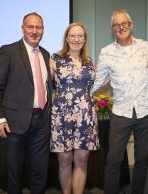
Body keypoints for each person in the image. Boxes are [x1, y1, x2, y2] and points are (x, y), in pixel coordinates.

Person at [92, 9, 148, 194]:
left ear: (131, 25)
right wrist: (81, 92)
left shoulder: (145, 46)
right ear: (113, 28)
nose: (121, 27)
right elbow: (98, 81)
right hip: (121, 113)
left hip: (146, 112)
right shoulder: (106, 52)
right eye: (117, 25)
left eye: (125, 23)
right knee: (113, 160)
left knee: (142, 160)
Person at [0, 12, 52, 194]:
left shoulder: (46, 55)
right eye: (30, 27)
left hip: (42, 122)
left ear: (43, 30)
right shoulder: (8, 51)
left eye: (38, 27)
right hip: (14, 122)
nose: (34, 31)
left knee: (40, 171)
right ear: (22, 28)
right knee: (14, 174)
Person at [49, 22, 99, 194]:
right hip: (62, 115)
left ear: (85, 39)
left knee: (82, 159)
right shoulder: (55, 59)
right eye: (73, 35)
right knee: (64, 160)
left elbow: (94, 86)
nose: (76, 39)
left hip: (85, 115)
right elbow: (42, 84)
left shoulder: (89, 61)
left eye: (80, 36)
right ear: (67, 38)